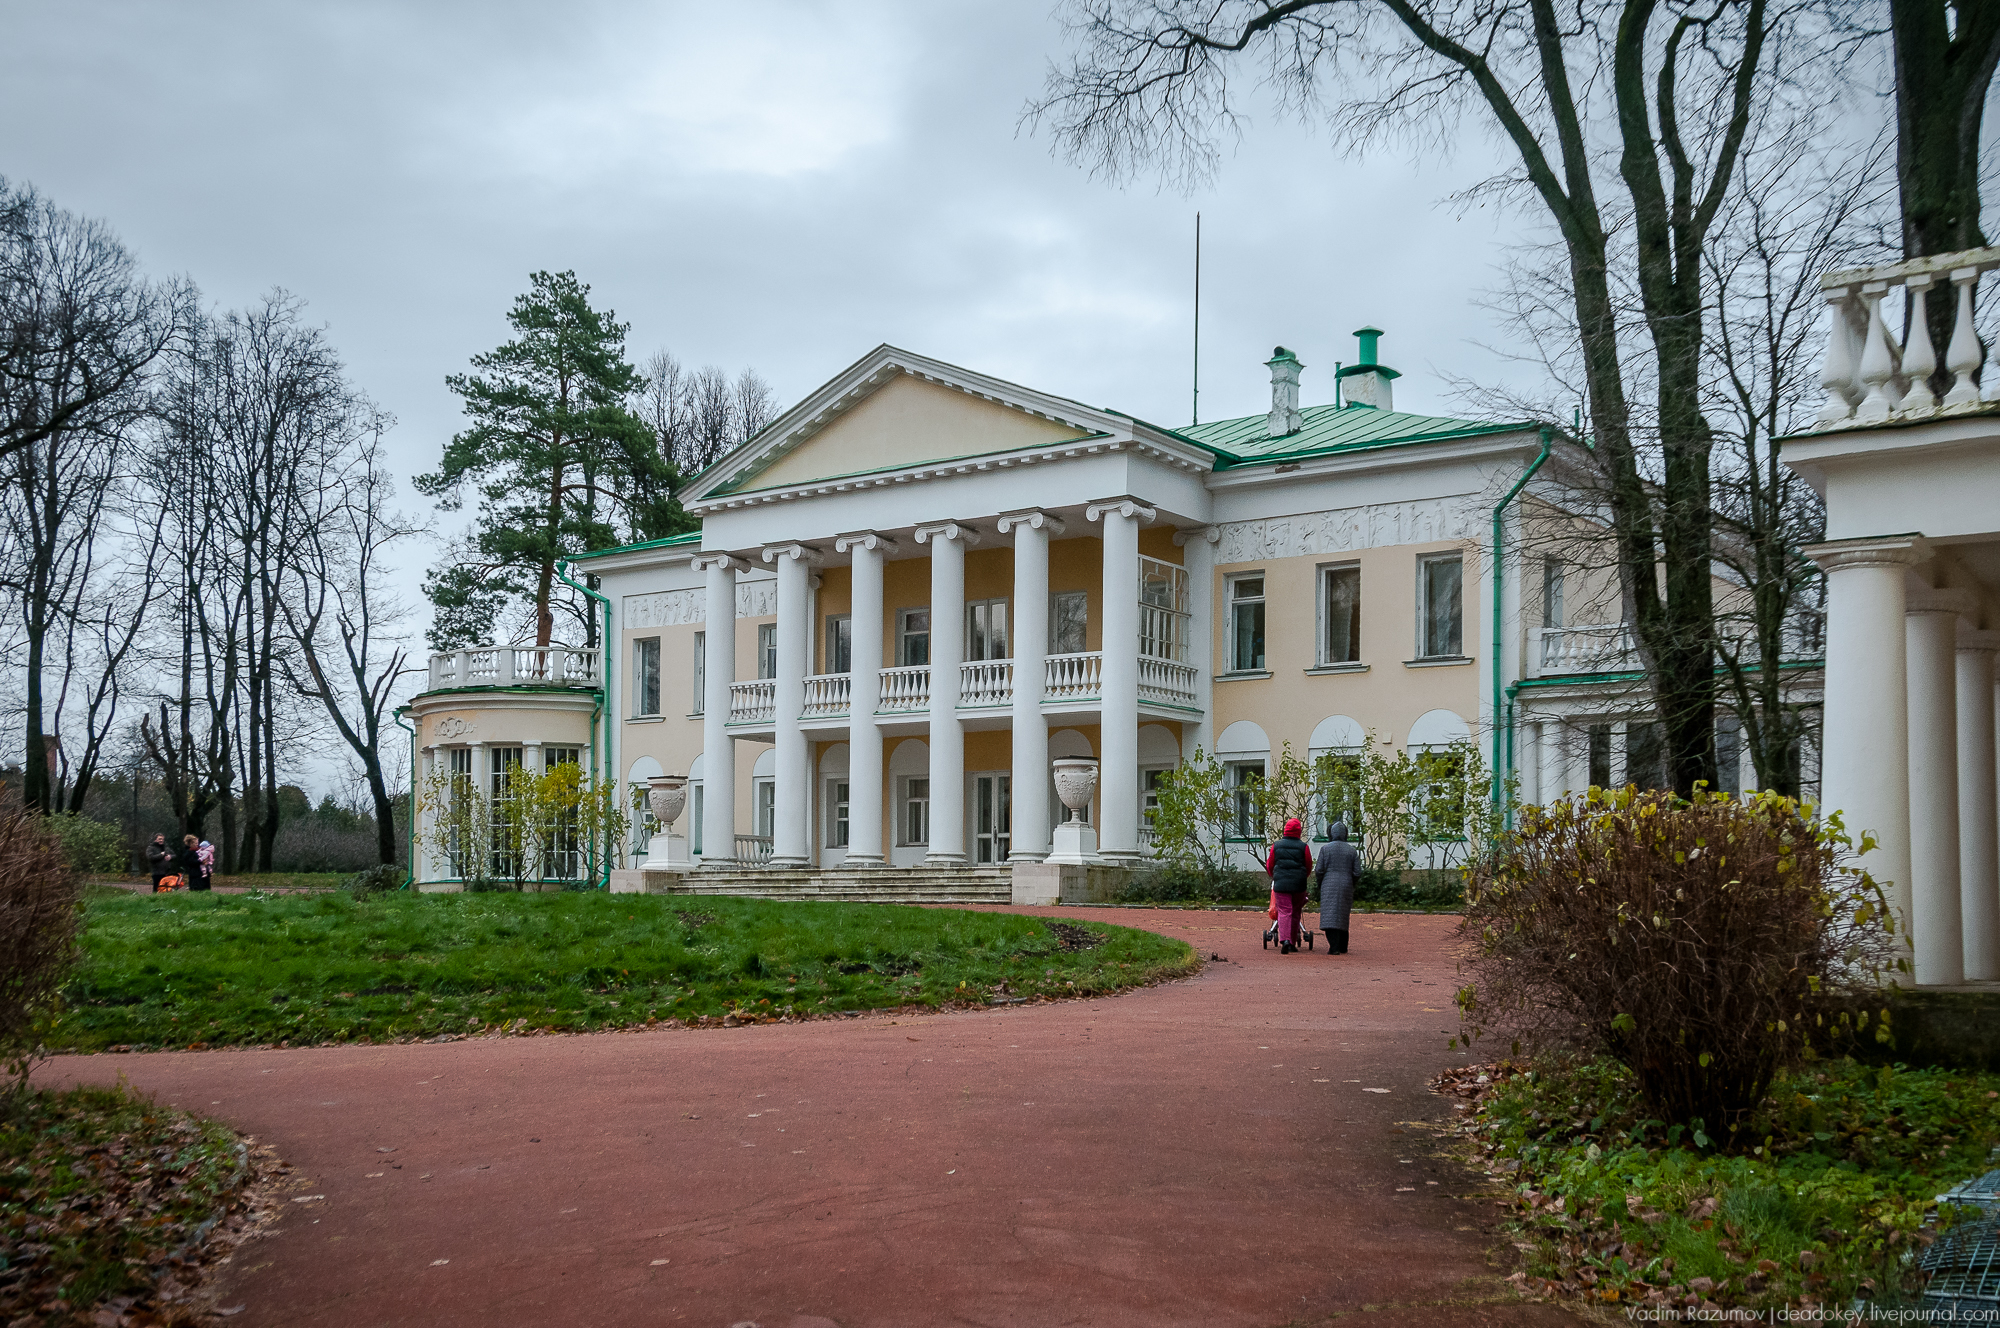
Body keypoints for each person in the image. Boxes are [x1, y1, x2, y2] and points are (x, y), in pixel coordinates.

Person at [1264, 817, 1313, 954]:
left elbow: (1270, 864)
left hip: (1281, 883)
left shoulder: (1276, 845)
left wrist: (1274, 876)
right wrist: (1304, 876)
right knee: (1296, 912)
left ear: (1285, 829)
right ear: (1299, 831)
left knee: (1285, 911)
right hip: (1299, 884)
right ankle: (1291, 941)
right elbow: (1308, 865)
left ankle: (1285, 940)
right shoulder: (1304, 847)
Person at [1313, 820, 1361, 956]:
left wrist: (1320, 883)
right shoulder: (1352, 851)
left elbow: (1319, 870)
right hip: (1346, 884)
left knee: (1329, 916)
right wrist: (1352, 883)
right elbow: (1357, 872)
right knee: (1343, 915)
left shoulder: (1325, 849)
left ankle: (1334, 947)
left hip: (1329, 883)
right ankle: (1343, 946)